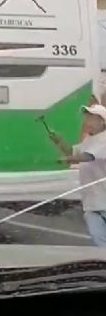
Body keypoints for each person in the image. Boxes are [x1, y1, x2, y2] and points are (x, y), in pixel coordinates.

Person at [49, 104, 106, 247]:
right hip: (91, 202)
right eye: (87, 116)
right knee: (99, 241)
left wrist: (68, 160)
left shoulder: (104, 139)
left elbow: (87, 156)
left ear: (102, 121)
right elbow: (73, 152)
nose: (88, 120)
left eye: (92, 117)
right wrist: (59, 141)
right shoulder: (88, 139)